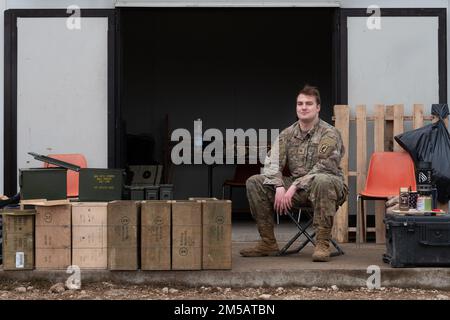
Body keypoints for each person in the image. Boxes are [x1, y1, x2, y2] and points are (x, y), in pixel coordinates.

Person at [240, 85, 348, 262]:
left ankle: (322, 243)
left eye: (308, 103)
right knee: (255, 182)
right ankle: (268, 243)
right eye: (300, 103)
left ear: (318, 107)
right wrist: (280, 185)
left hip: (328, 187)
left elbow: (325, 167)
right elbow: (271, 163)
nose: (303, 107)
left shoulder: (329, 133)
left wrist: (294, 186)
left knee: (322, 180)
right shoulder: (287, 134)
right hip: (297, 189)